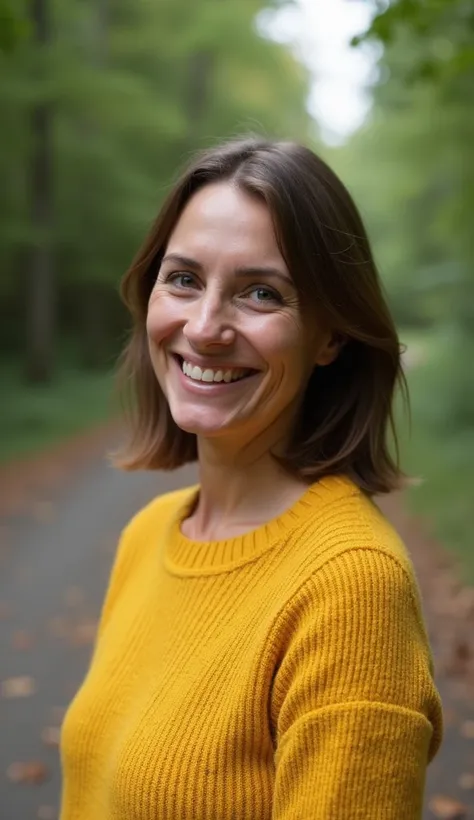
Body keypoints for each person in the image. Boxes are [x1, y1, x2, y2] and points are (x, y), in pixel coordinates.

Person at [59, 136, 443, 820]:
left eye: (261, 293)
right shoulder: (148, 535)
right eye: (182, 279)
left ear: (331, 336)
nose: (205, 327)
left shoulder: (351, 586)